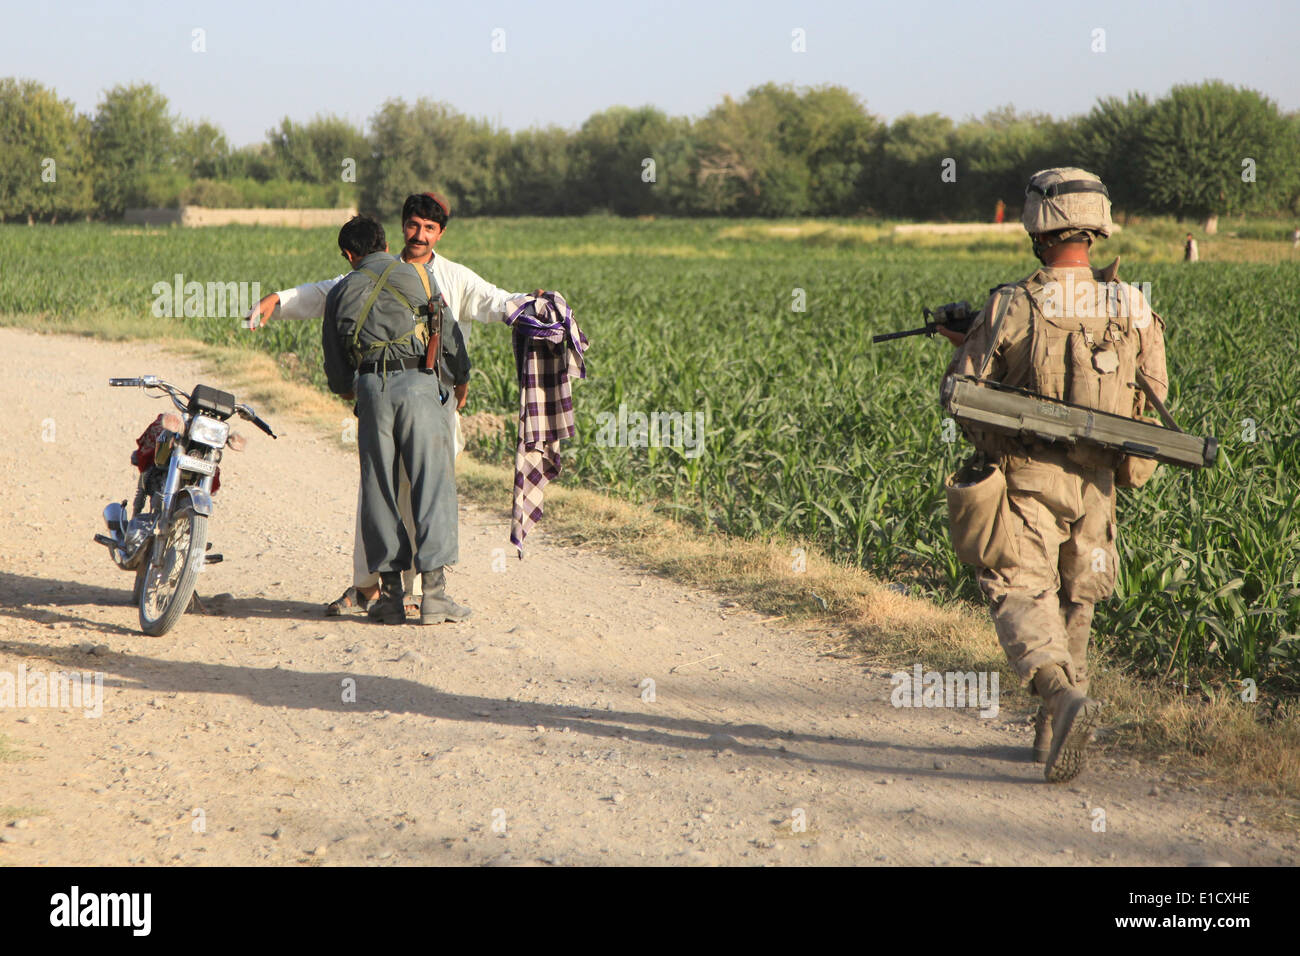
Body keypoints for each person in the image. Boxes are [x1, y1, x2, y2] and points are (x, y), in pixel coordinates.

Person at [936, 167, 1169, 783]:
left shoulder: (1014, 303)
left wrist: (964, 342)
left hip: (1030, 477)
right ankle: (1050, 739)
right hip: (1099, 484)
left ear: (1038, 231)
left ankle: (1058, 696)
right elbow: (1155, 392)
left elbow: (961, 395)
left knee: (1016, 586)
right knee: (1078, 596)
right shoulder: (1133, 304)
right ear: (1095, 228)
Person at [246, 193, 536, 619]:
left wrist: (533, 306)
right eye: (414, 225)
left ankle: (406, 593)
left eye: (429, 229)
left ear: (440, 234)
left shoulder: (453, 277)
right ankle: (378, 590)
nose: (420, 235)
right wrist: (280, 298)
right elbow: (322, 294)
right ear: (400, 228)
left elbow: (497, 301)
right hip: (426, 397)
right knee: (398, 491)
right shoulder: (382, 271)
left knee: (393, 491)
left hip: (400, 398)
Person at [320, 214, 472, 624]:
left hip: (373, 391)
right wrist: (461, 380)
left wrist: (361, 390)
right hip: (423, 388)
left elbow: (337, 373)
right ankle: (435, 598)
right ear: (386, 245)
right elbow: (451, 338)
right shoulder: (421, 277)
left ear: (350, 255)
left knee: (379, 489)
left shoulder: (340, 292)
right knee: (432, 486)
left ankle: (388, 599)